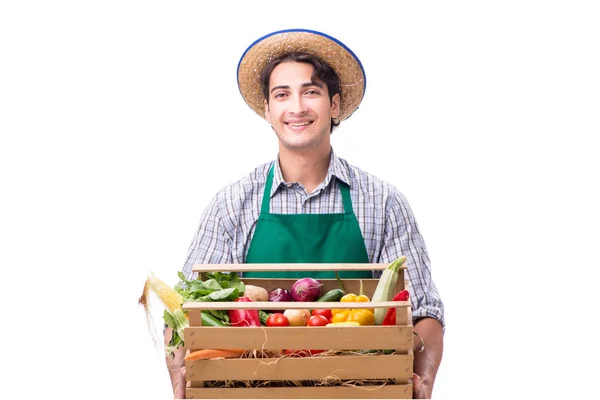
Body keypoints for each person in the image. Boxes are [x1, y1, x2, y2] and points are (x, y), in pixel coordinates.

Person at [165, 28, 445, 399]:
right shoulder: (232, 205)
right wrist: (181, 376)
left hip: (357, 390)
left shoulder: (383, 202)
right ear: (267, 110)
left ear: (336, 105)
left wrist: (422, 380)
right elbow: (186, 312)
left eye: (311, 91)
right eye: (282, 95)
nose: (296, 107)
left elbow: (425, 310)